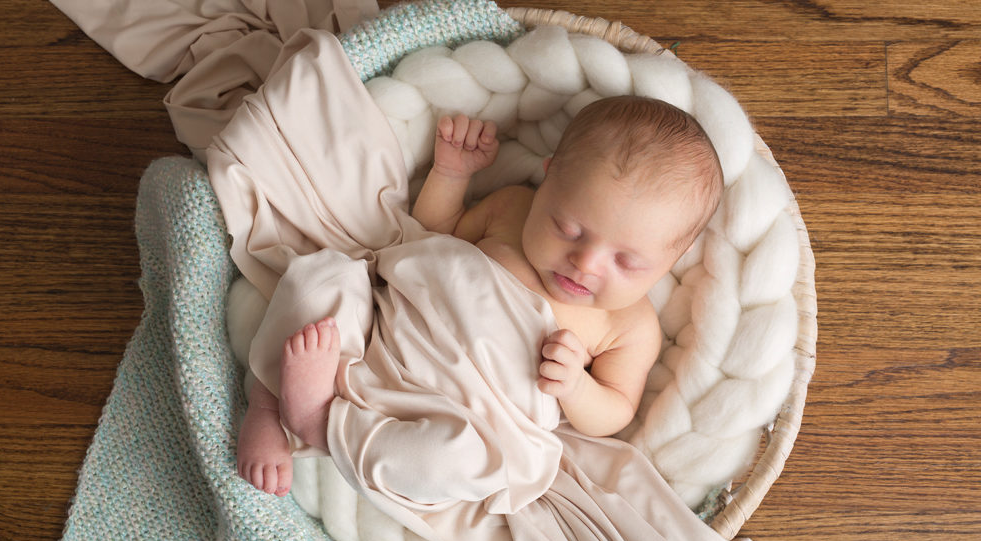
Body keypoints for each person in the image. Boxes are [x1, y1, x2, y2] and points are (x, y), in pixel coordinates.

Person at [236, 95, 724, 496]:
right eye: (568, 227)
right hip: (379, 335)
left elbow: (615, 411)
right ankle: (267, 405)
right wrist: (451, 175)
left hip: (459, 417)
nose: (586, 262)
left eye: (627, 262)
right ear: (548, 178)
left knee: (467, 464)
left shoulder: (631, 326)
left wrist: (577, 386)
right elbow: (433, 234)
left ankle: (320, 425)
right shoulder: (512, 209)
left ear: (670, 262)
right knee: (319, 277)